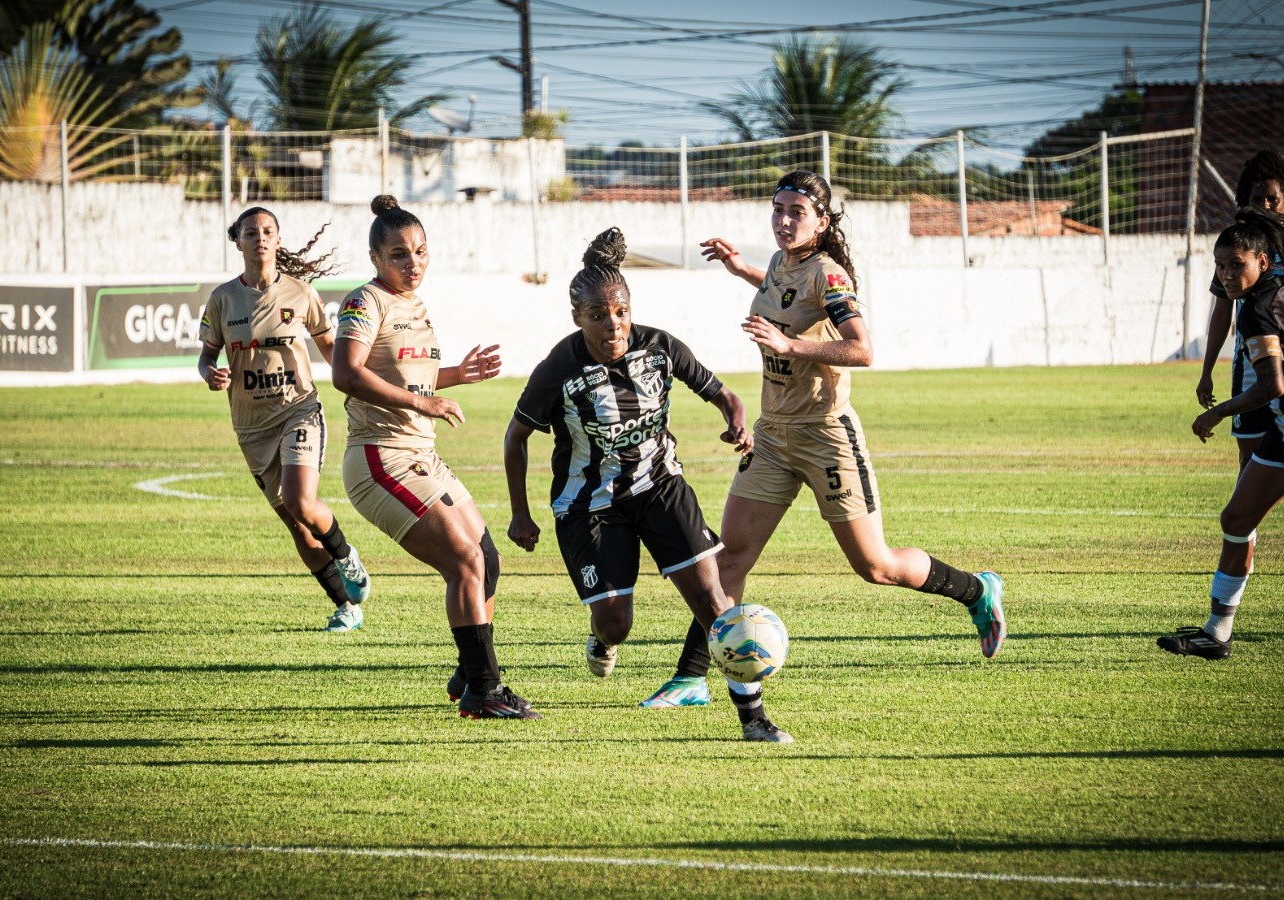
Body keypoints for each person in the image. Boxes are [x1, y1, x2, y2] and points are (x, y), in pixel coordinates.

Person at [640, 169, 1006, 709]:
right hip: (772, 436)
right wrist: (741, 269)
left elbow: (862, 349)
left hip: (826, 436)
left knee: (875, 566)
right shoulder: (780, 263)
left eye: (797, 213)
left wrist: (789, 347)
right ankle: (692, 678)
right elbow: (785, 294)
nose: (784, 221)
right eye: (778, 209)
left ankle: (977, 590)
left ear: (822, 221)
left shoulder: (830, 276)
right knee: (729, 560)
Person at [503, 227, 792, 742]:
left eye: (620, 312)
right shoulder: (559, 368)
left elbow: (724, 395)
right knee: (616, 623)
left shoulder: (659, 347)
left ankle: (754, 718)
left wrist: (736, 423)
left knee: (714, 601)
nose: (613, 324)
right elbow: (516, 437)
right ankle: (602, 639)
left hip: (661, 487)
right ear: (577, 317)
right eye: (598, 315)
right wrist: (520, 513)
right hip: (590, 505)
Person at [332, 194, 540, 719]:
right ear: (375, 258)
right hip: (380, 459)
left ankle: (472, 671)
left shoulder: (415, 305)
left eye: (420, 251)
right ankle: (484, 690)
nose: (413, 263)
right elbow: (346, 374)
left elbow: (408, 377)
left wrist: (455, 376)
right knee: (464, 560)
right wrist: (424, 402)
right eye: (399, 254)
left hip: (420, 453)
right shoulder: (364, 301)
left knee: (486, 558)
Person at [198, 206, 371, 633]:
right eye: (250, 232)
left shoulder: (301, 293)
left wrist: (363, 382)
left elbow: (333, 351)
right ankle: (346, 606)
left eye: (267, 231)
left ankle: (346, 555)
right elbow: (207, 356)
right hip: (251, 426)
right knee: (296, 525)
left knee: (300, 499)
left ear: (277, 240)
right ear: (237, 240)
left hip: (299, 409)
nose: (259, 238)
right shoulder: (222, 299)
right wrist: (210, 373)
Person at [1160, 206, 1284, 660]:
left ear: (1263, 262)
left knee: (1237, 518)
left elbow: (1271, 386)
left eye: (1237, 264)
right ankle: (1216, 633)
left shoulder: (1260, 310)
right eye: (1220, 265)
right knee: (1236, 519)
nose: (1227, 274)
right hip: (1281, 433)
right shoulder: (1268, 294)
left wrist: (1217, 413)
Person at [1196, 150, 1284, 471]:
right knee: (1250, 460)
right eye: (1258, 199)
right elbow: (1222, 312)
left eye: (1273, 199)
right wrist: (1206, 371)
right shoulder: (1239, 249)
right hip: (1251, 368)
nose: (1265, 206)